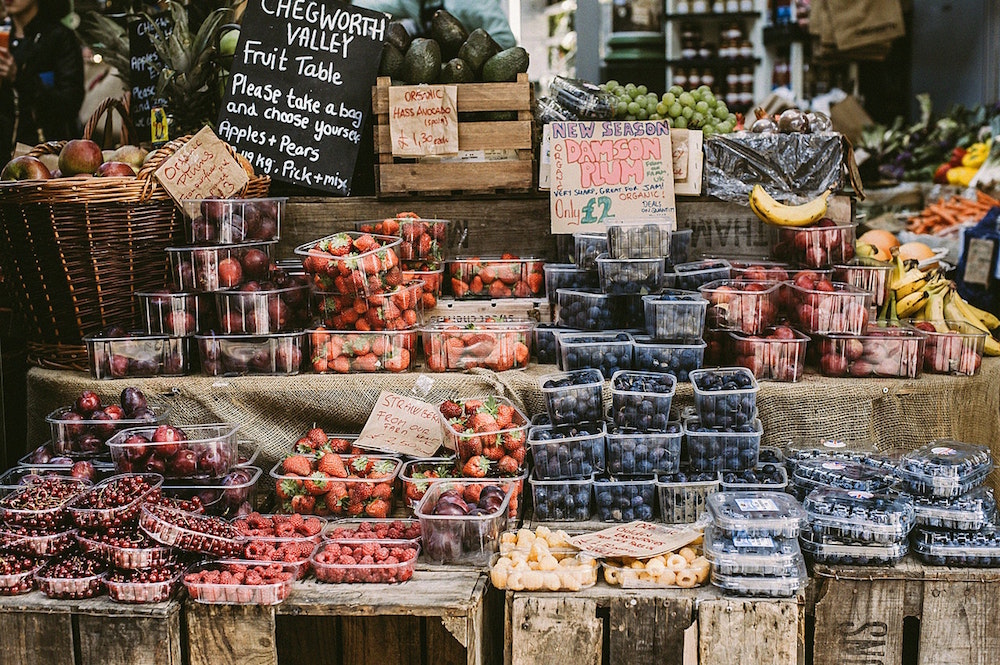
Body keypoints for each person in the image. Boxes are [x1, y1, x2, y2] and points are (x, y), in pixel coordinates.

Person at [0, 0, 84, 160]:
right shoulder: (4, 37)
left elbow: (69, 103)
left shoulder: (58, 37)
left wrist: (19, 78)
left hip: (43, 155)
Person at [356, 0, 516, 49]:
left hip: (472, 83)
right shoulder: (412, 2)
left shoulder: (471, 4)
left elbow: (506, 39)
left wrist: (474, 56)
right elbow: (364, 5)